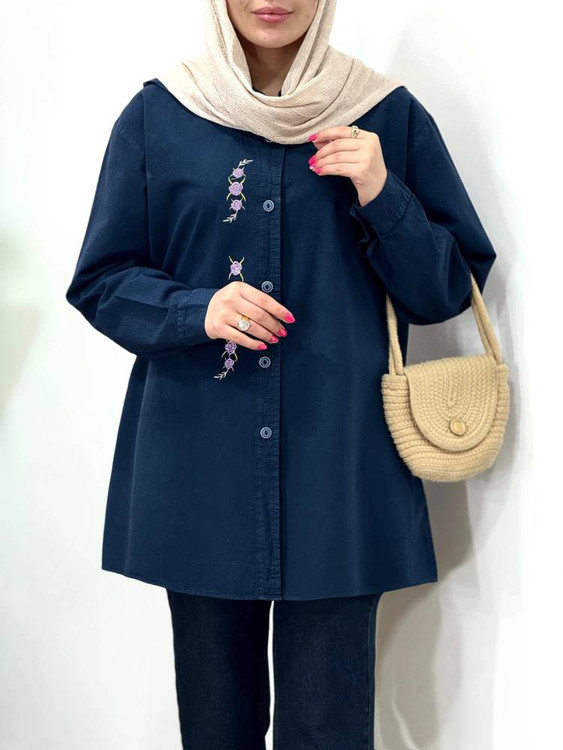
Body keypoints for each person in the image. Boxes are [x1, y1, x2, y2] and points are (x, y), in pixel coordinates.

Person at [65, 0, 497, 747]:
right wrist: (196, 309)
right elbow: (102, 279)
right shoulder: (159, 115)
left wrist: (381, 193)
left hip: (338, 471)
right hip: (200, 469)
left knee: (328, 729)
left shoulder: (384, 116)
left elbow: (443, 292)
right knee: (216, 729)